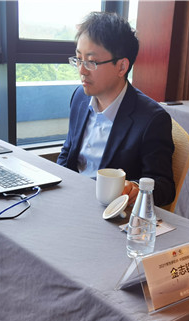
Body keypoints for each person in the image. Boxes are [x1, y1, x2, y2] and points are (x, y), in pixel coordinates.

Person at [57, 12, 175, 207]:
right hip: (72, 200)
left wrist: (135, 188)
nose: (81, 70)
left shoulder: (152, 119)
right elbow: (68, 152)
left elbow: (165, 187)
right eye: (78, 59)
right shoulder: (79, 97)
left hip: (110, 210)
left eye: (91, 62)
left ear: (121, 67)